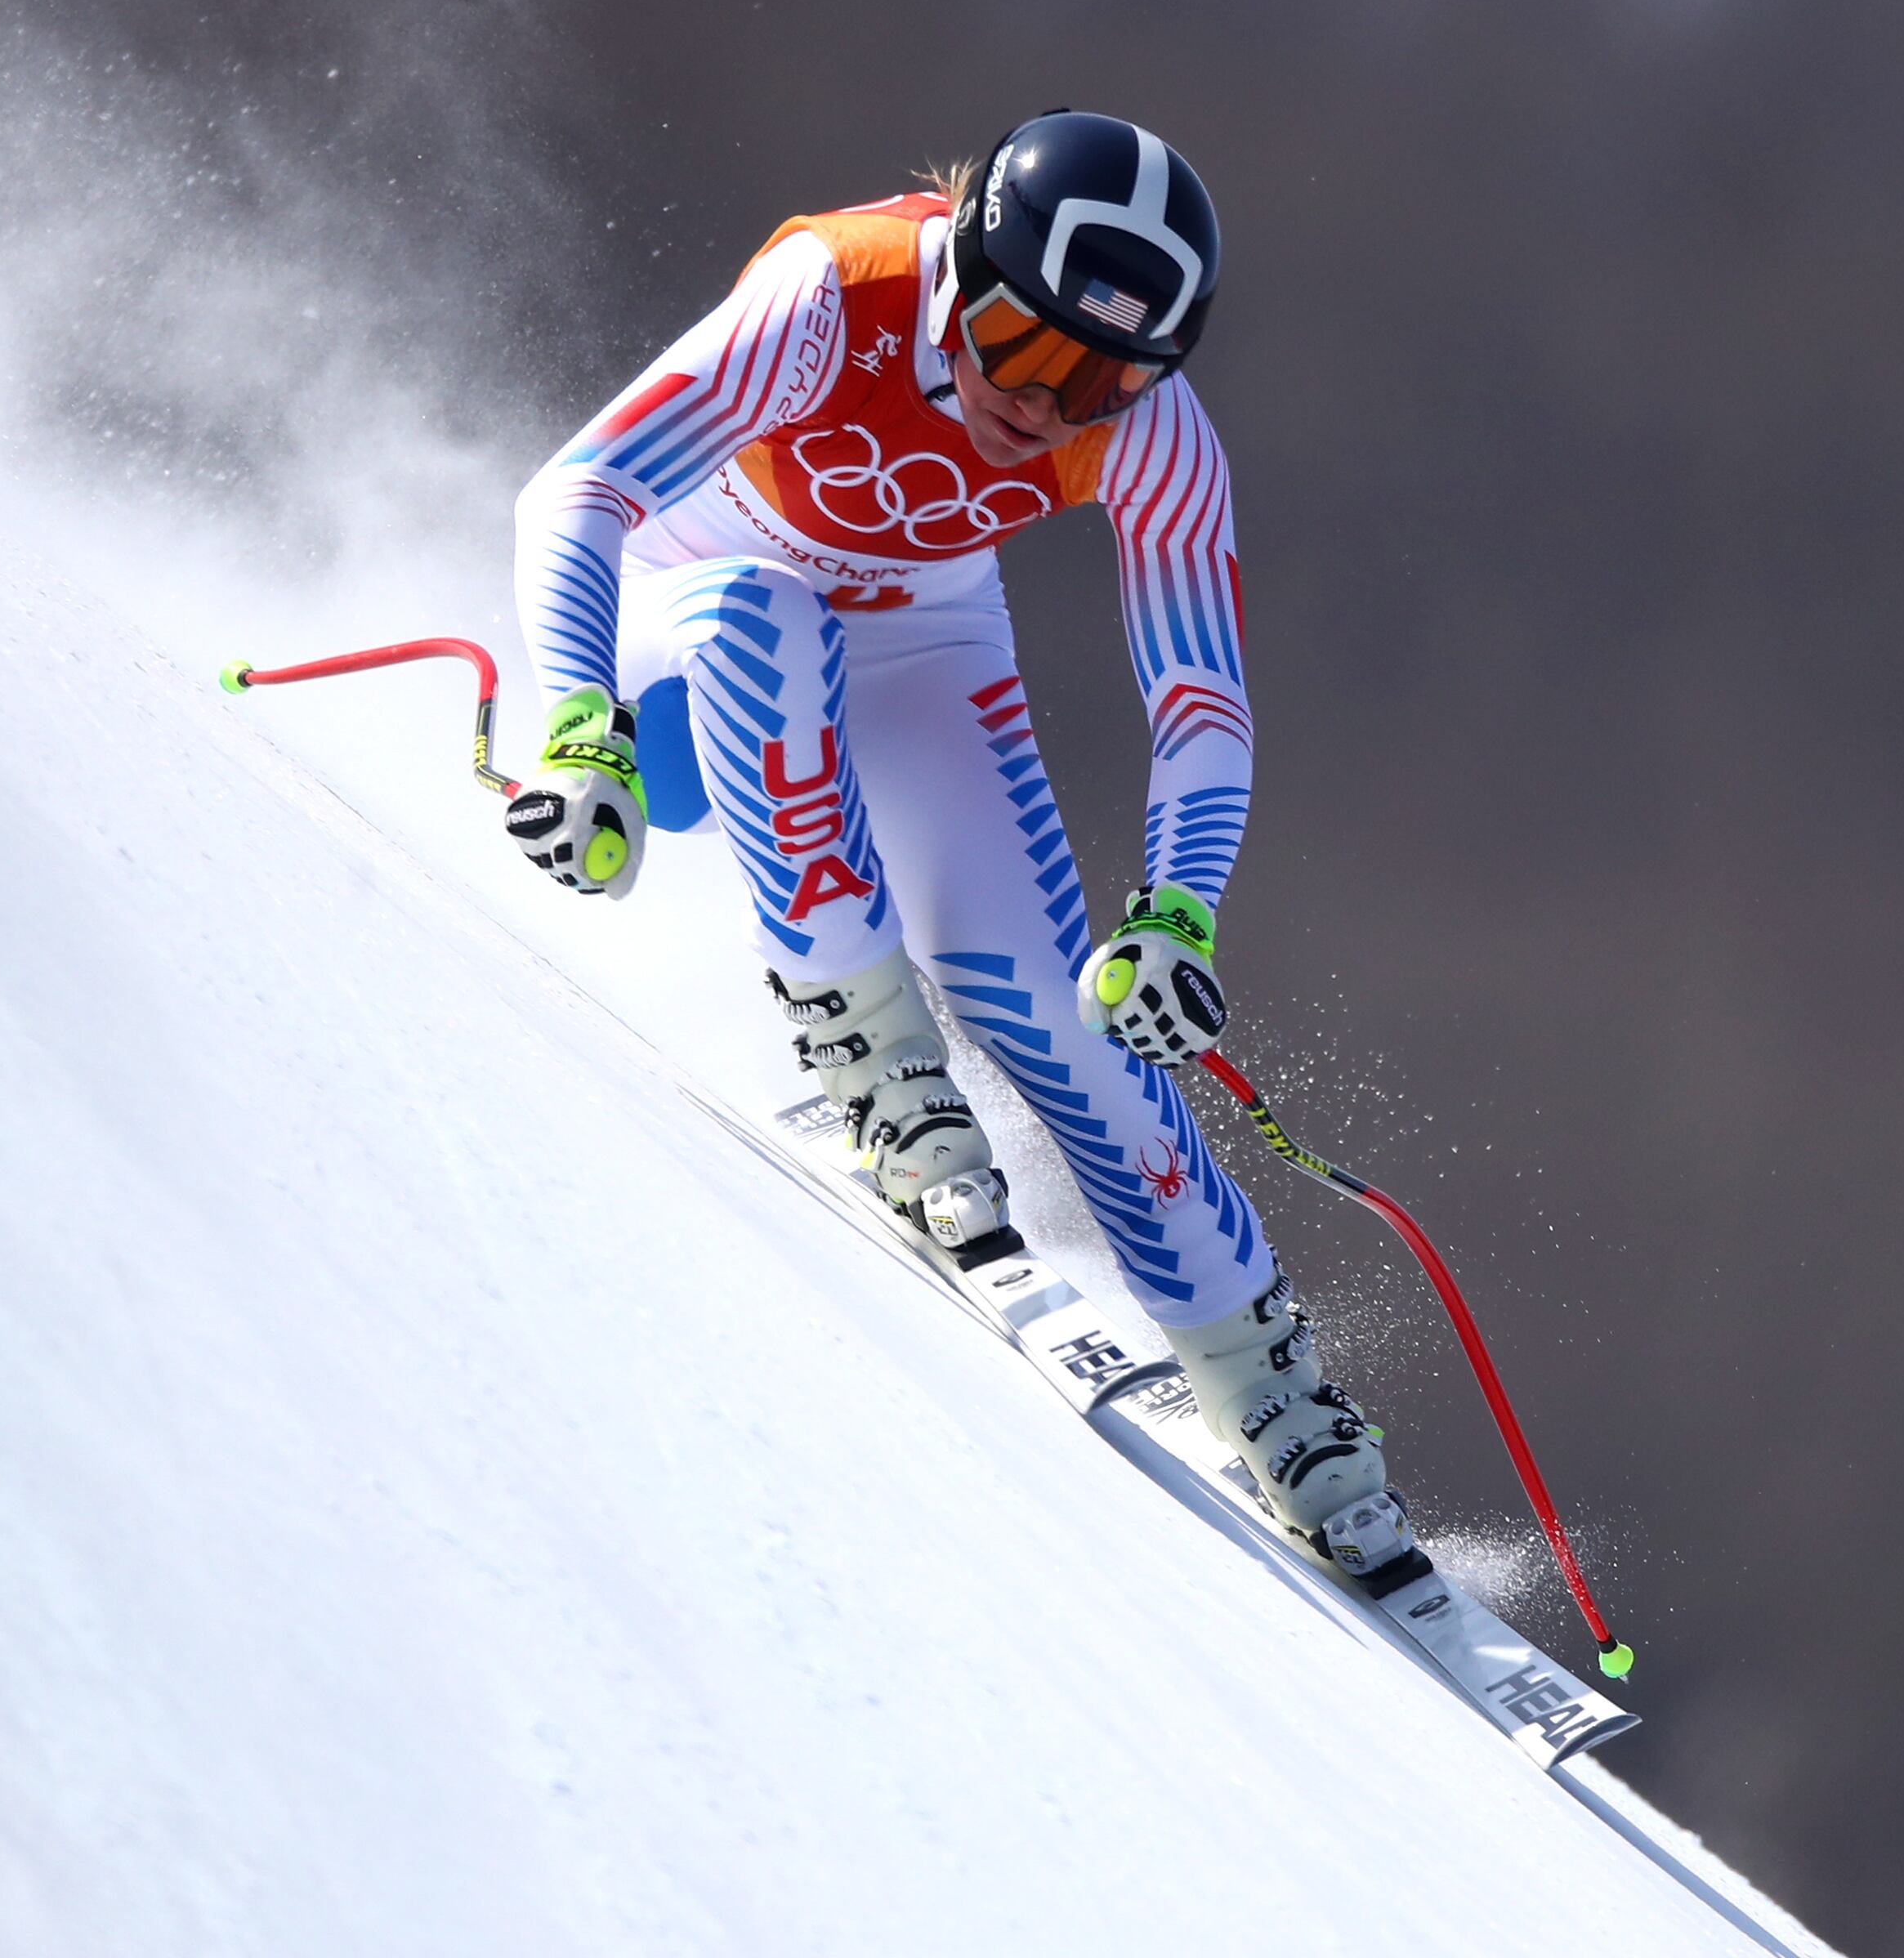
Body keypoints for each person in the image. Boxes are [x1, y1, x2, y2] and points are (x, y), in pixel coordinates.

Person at [504, 110, 1425, 1593]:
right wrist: (575, 726)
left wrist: (1176, 916)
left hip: (919, 635)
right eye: (1026, 346)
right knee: (763, 620)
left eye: (1103, 380)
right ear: (965, 279)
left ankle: (1271, 1382)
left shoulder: (1154, 432)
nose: (1050, 407)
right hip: (690, 614)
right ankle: (878, 1067)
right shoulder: (836, 295)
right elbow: (580, 489)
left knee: (1063, 1005)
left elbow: (1199, 698)